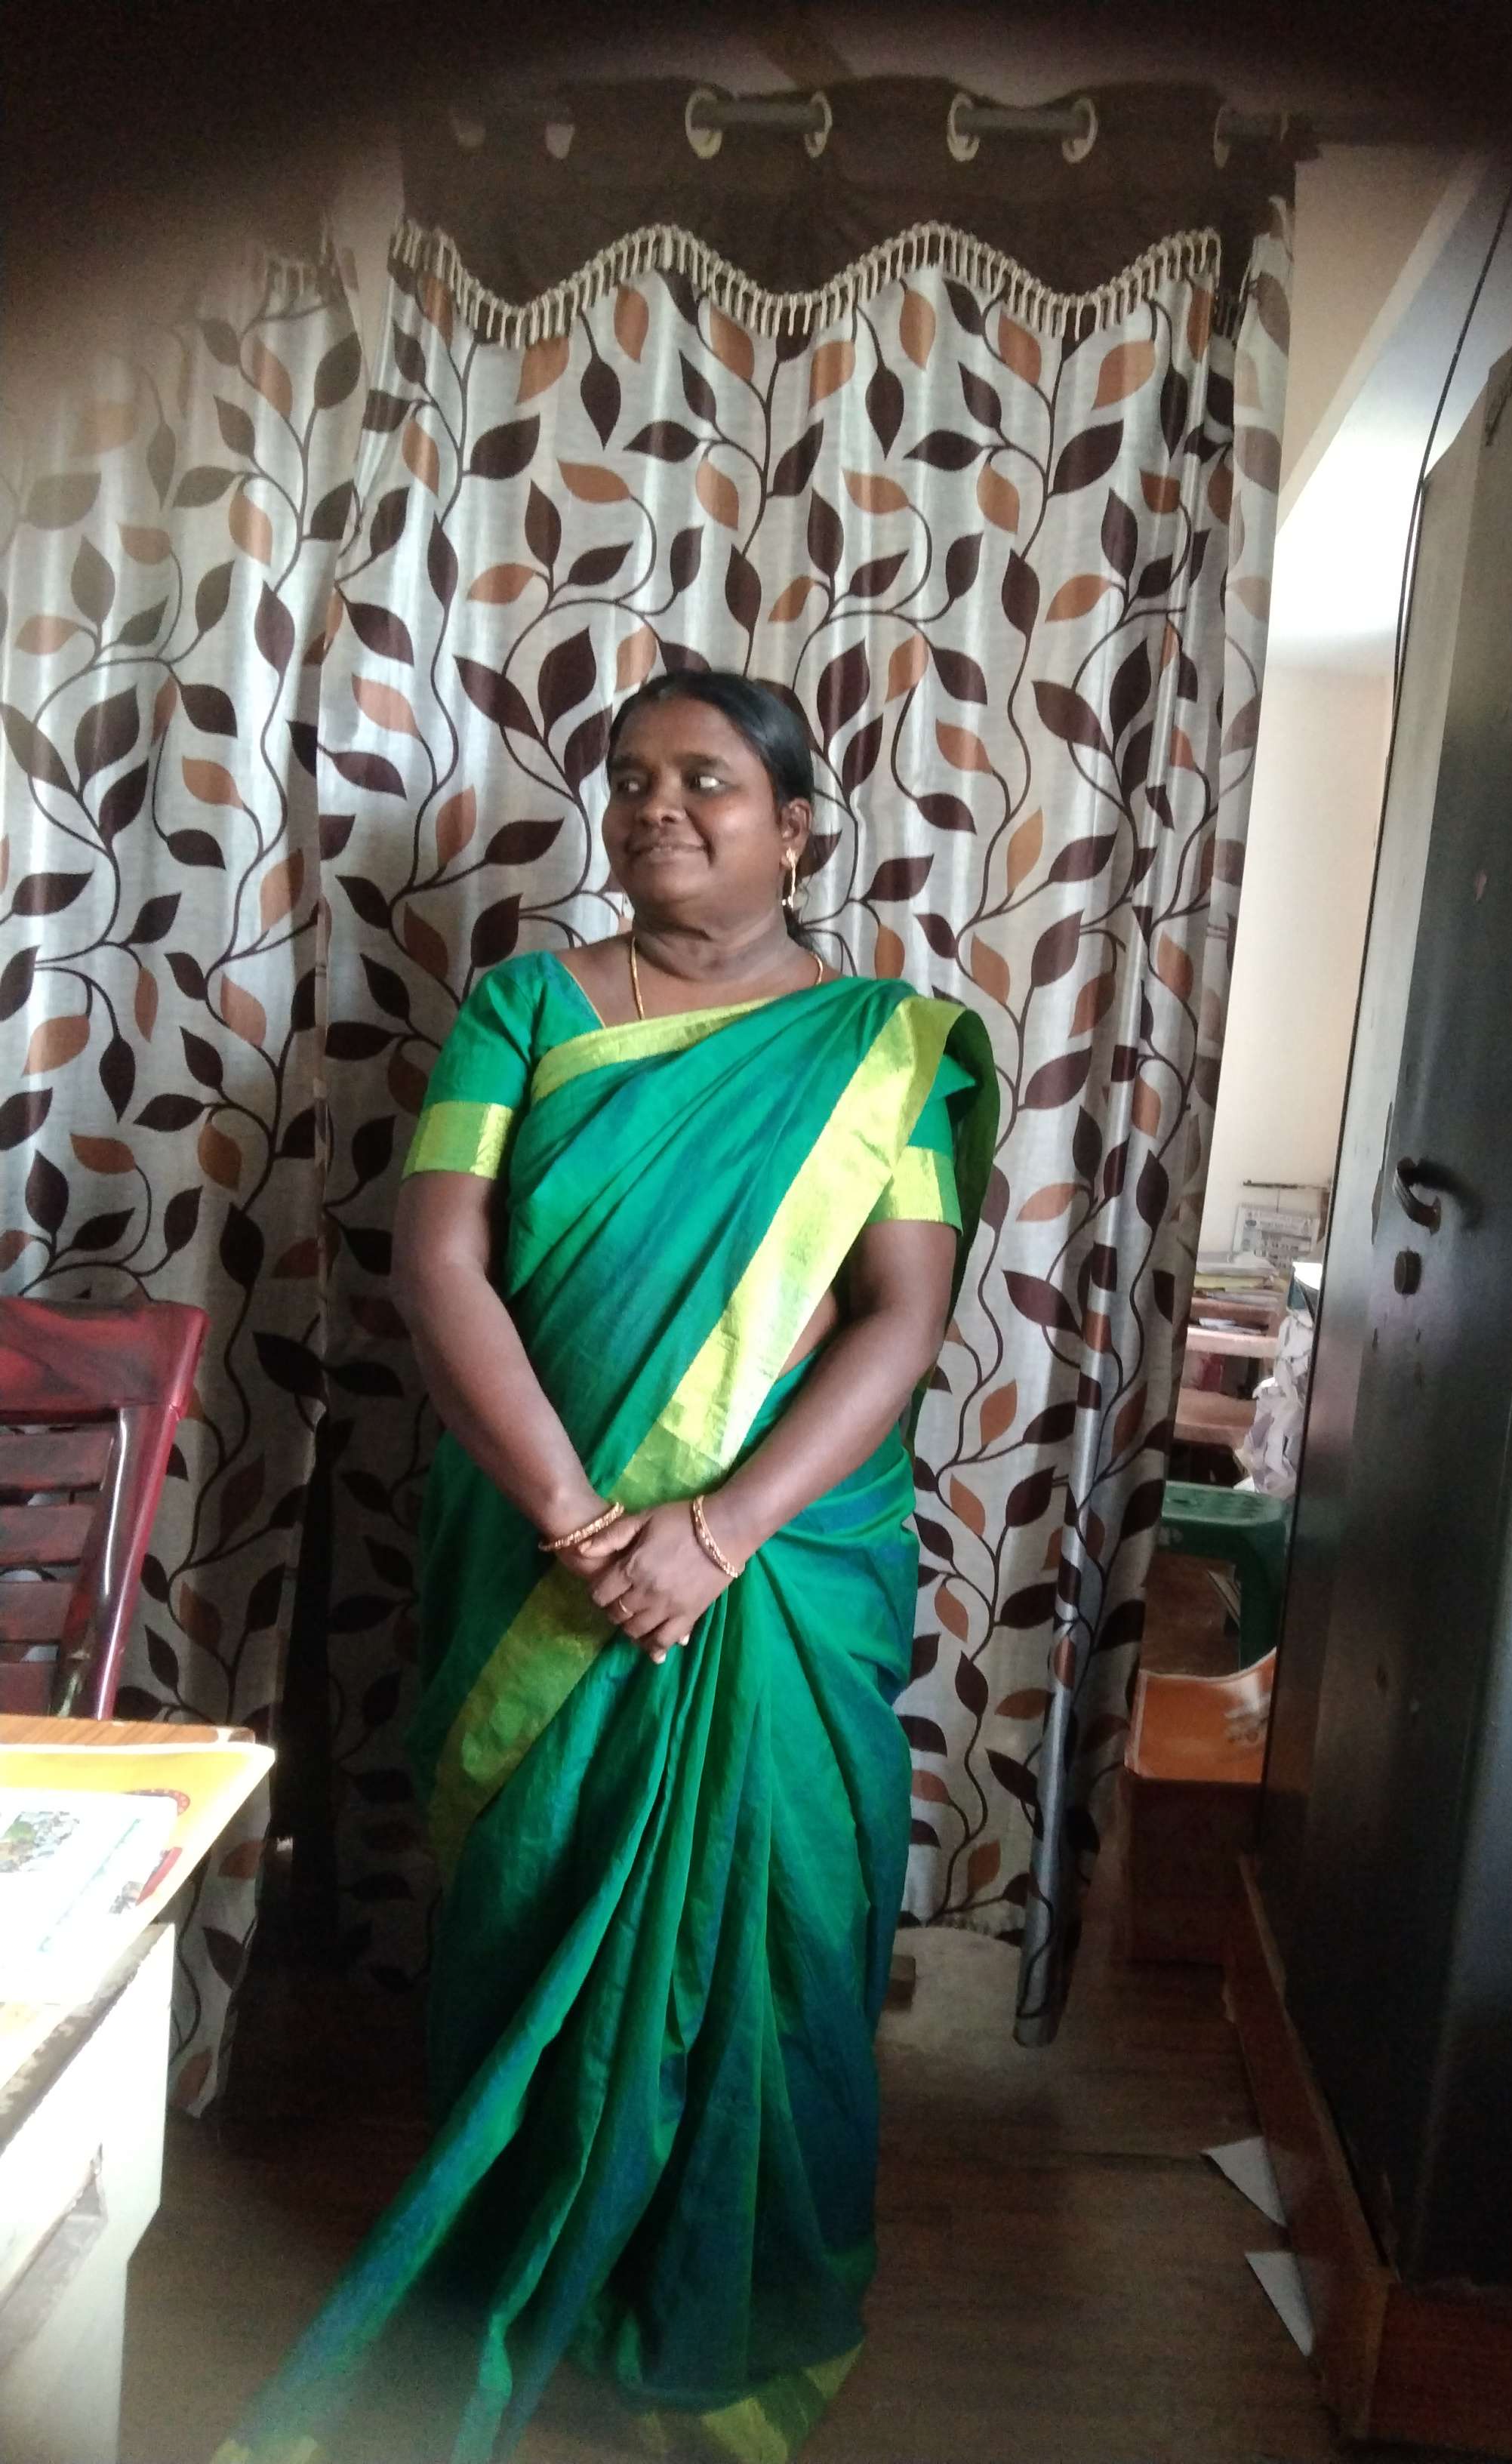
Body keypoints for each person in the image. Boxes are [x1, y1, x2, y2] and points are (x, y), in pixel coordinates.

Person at [217, 671, 997, 2464]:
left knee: (781, 1922)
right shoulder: (525, 1007)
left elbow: (903, 1316)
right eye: (631, 776)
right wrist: (583, 1527)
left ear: (797, 826)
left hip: (786, 1572)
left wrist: (717, 1533)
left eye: (708, 779)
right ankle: (521, 2258)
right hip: (540, 1555)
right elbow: (440, 1265)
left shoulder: (882, 1046)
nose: (658, 805)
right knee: (538, 1898)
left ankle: (730, 2299)